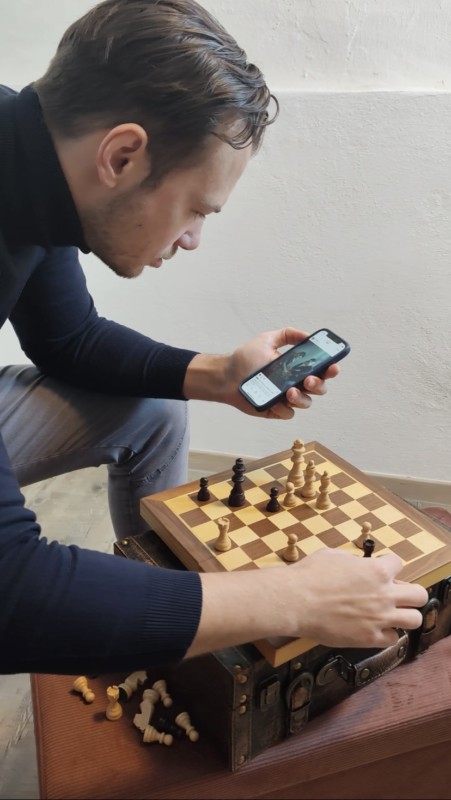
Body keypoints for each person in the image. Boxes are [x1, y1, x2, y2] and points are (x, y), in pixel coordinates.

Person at [0, 0, 427, 676]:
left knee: (154, 403)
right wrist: (289, 598)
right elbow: (10, 596)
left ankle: (152, 601)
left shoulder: (27, 160)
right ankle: (157, 622)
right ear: (122, 154)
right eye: (197, 209)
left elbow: (68, 339)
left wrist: (220, 376)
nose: (193, 239)